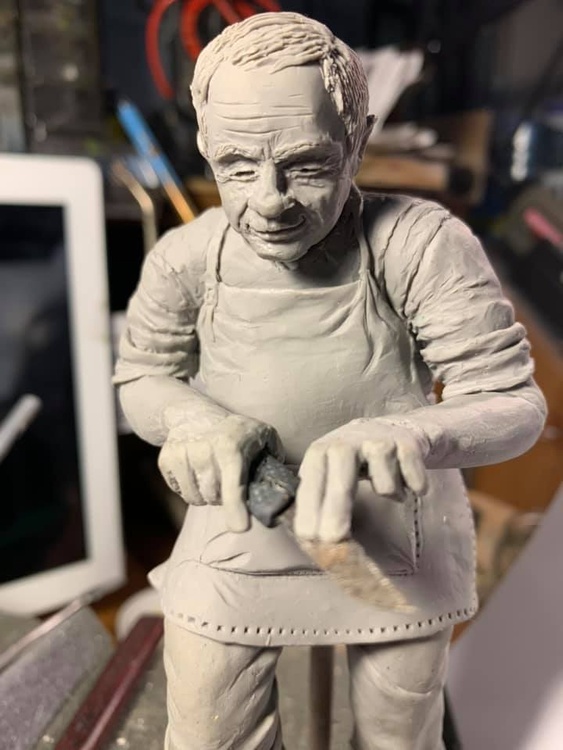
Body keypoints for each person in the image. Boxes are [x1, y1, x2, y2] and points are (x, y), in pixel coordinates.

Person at [114, 12, 546, 750]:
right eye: (237, 166)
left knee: (395, 732)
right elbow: (142, 378)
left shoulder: (418, 243)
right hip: (242, 524)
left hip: (390, 536)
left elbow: (512, 405)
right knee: (208, 724)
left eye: (307, 164)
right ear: (205, 143)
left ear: (357, 139)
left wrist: (406, 432)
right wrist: (193, 421)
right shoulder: (187, 257)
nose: (269, 199)